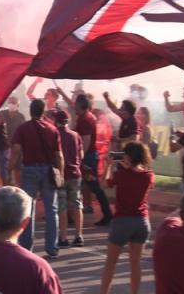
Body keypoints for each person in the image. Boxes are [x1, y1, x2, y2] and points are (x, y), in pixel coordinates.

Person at [88, 141, 155, 294]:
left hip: (123, 221)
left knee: (111, 262)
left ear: (129, 157)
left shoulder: (121, 175)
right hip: (142, 221)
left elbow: (103, 185)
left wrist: (109, 166)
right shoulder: (149, 175)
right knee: (135, 262)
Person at [10, 99, 63, 258]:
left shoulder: (23, 129)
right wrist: (61, 173)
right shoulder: (53, 129)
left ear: (30, 111)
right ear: (43, 111)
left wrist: (9, 168)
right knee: (51, 210)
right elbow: (59, 155)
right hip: (48, 170)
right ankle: (52, 248)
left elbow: (17, 150)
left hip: (30, 169)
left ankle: (26, 248)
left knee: (28, 209)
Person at [73, 94, 111, 227]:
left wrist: (80, 159)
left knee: (92, 185)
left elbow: (86, 141)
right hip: (89, 156)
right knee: (83, 185)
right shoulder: (87, 116)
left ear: (79, 104)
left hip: (87, 157)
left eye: (75, 102)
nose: (73, 105)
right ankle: (73, 214)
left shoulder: (85, 119)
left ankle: (107, 214)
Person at [54, 113, 84, 247]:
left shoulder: (55, 134)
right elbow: (81, 154)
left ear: (56, 121)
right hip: (75, 173)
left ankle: (64, 237)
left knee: (62, 207)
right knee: (76, 205)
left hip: (61, 174)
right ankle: (79, 235)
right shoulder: (75, 135)